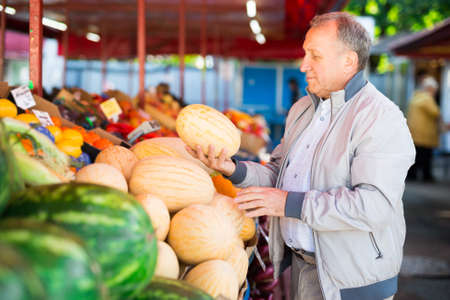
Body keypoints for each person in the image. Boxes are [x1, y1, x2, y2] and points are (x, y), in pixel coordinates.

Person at [187, 12, 415, 300]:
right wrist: (233, 169)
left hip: (354, 282)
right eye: (305, 54)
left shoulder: (381, 118)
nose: (303, 65)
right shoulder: (302, 110)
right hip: (303, 268)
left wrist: (288, 203)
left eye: (314, 56)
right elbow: (279, 172)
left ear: (349, 61)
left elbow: (374, 205)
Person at [407, 76, 449, 182]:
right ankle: (426, 176)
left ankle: (413, 175)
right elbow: (435, 112)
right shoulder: (427, 98)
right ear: (430, 88)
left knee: (416, 155)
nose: (435, 92)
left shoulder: (416, 96)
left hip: (415, 131)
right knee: (425, 156)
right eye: (434, 90)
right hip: (424, 133)